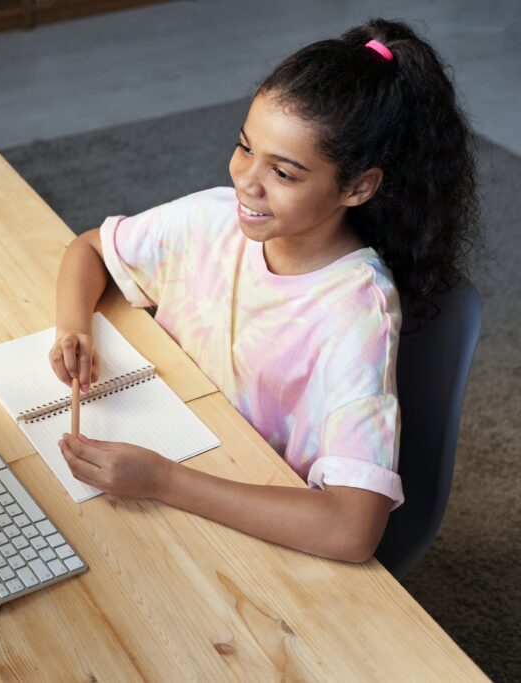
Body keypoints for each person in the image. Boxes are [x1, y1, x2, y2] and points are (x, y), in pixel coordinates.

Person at [48, 18, 480, 562]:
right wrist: (73, 327)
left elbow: (351, 529)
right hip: (182, 445)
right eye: (245, 147)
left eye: (284, 173)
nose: (246, 181)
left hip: (251, 513)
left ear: (357, 186)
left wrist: (163, 481)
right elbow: (88, 248)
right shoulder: (213, 219)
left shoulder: (356, 314)